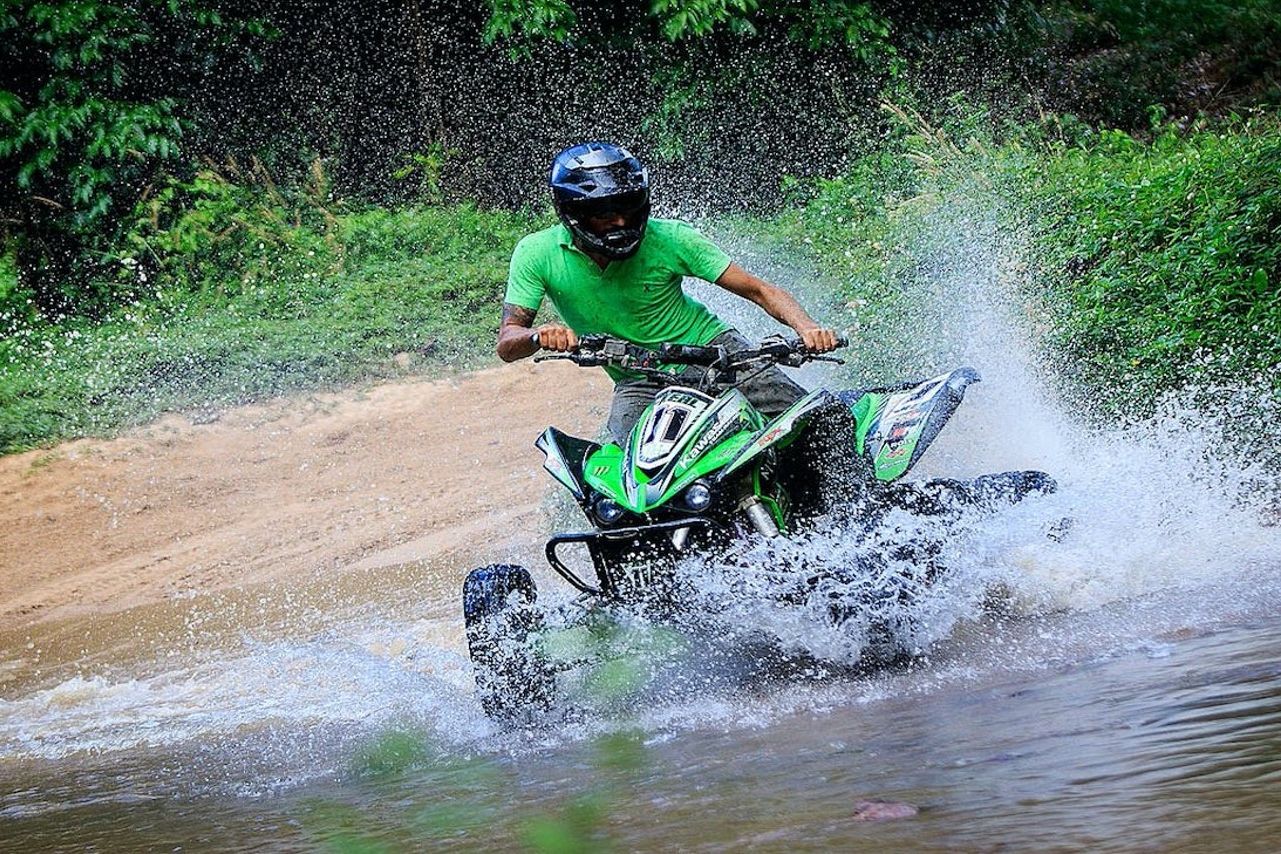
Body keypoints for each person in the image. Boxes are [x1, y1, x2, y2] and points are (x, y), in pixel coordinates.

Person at [497, 140, 840, 444]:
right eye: (604, 213)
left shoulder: (672, 237)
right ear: (573, 215)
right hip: (639, 380)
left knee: (813, 423)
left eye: (628, 206)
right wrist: (538, 337)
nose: (620, 222)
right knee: (631, 470)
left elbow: (760, 290)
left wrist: (806, 327)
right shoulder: (537, 253)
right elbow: (508, 342)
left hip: (715, 353)